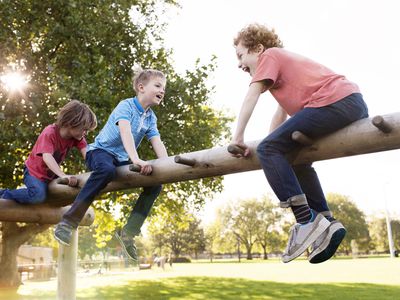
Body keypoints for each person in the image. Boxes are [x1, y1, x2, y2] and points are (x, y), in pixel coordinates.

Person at [230, 23, 368, 264]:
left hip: (335, 101)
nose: (239, 64)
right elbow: (278, 125)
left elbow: (251, 95)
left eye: (241, 55)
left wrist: (238, 137)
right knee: (294, 160)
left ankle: (305, 220)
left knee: (269, 148)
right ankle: (327, 223)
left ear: (259, 48)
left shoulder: (270, 56)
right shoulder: (285, 74)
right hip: (346, 102)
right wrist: (270, 150)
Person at [54, 68, 168, 264]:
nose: (162, 90)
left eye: (164, 87)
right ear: (141, 87)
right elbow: (126, 133)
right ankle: (68, 222)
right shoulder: (126, 106)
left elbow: (157, 142)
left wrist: (168, 168)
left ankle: (129, 232)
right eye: (157, 85)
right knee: (106, 170)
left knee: (155, 183)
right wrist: (136, 159)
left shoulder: (151, 118)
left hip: (123, 158)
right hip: (100, 152)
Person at [0, 100, 97, 204]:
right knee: (37, 196)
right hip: (34, 173)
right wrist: (63, 175)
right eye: (84, 129)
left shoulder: (77, 138)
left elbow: (88, 154)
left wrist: (98, 167)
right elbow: (47, 157)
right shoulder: (50, 133)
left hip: (50, 176)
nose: (85, 133)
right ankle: (3, 194)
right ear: (71, 123)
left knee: (68, 193)